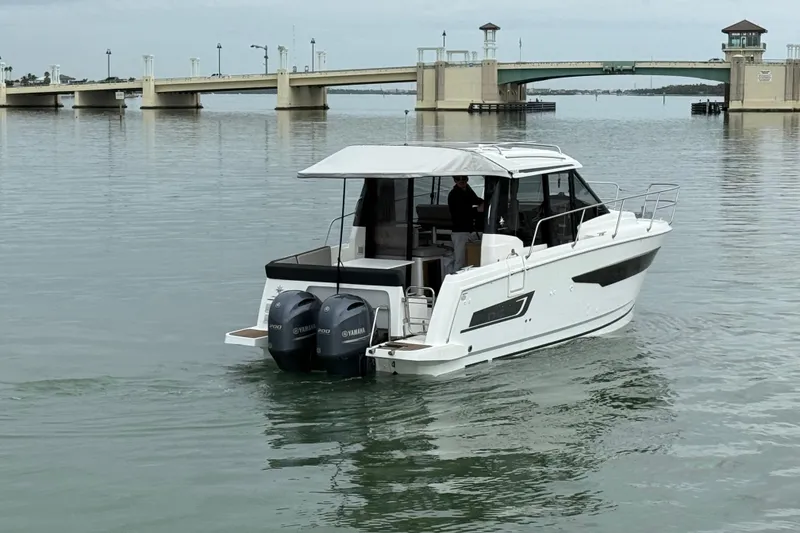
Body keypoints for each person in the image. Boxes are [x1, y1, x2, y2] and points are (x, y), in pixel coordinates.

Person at [448, 175, 484, 273]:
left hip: (469, 230)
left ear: (467, 179)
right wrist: (477, 209)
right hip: (459, 232)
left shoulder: (467, 190)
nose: (461, 181)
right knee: (460, 261)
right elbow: (460, 212)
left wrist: (485, 202)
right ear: (454, 180)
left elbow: (476, 200)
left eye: (463, 178)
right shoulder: (453, 194)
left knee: (467, 260)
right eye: (458, 179)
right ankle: (453, 281)